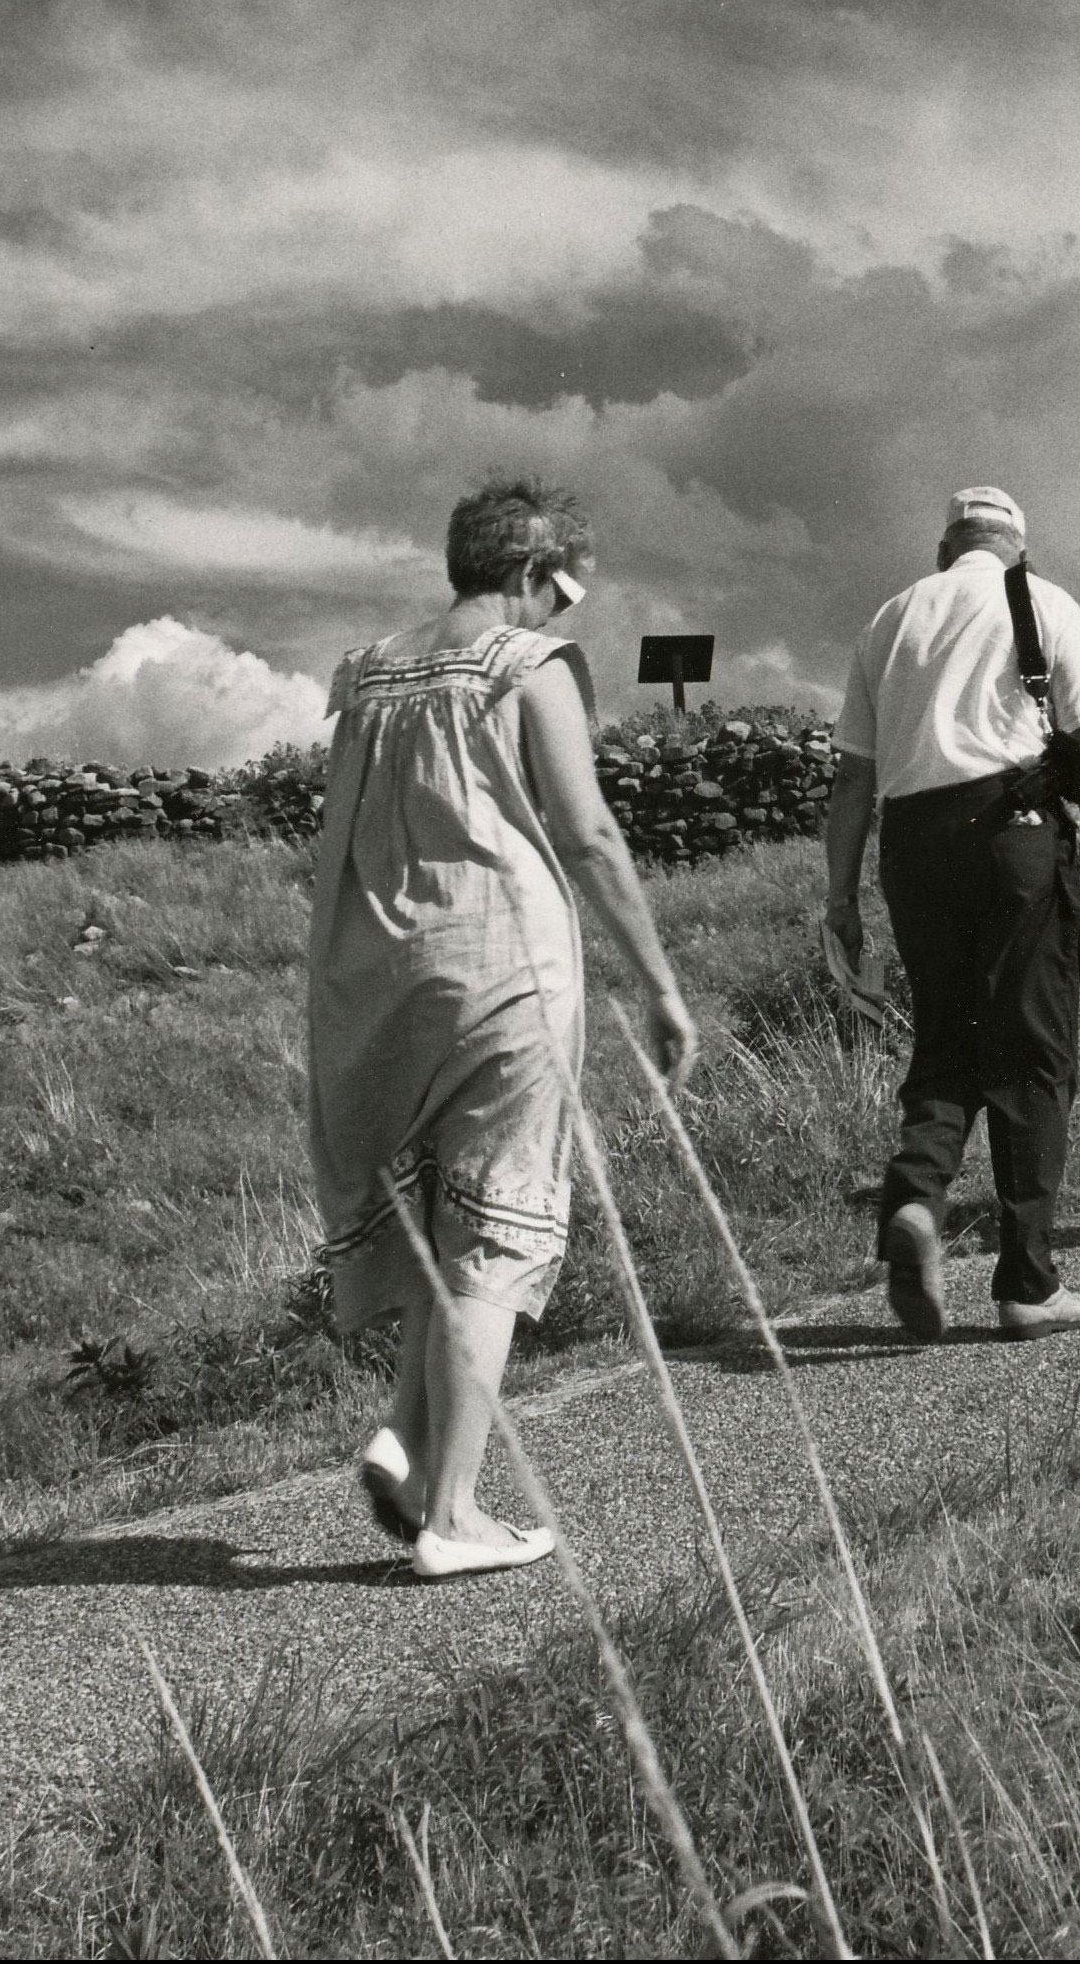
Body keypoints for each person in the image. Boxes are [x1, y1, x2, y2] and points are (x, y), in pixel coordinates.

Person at [305, 477, 697, 1578]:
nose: (565, 613)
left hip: (369, 974)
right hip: (499, 968)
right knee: (495, 1230)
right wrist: (659, 984)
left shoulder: (367, 669)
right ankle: (457, 1515)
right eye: (565, 590)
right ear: (532, 572)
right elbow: (589, 834)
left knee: (437, 1216)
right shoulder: (527, 667)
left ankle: (412, 1442)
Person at [824, 486, 1080, 1341]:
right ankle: (1028, 1283)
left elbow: (852, 777)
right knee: (1032, 1055)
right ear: (1014, 546)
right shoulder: (1040, 601)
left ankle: (916, 1200)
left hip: (912, 847)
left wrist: (840, 897)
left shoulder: (887, 622)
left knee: (945, 1041)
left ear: (946, 546)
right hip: (1014, 834)